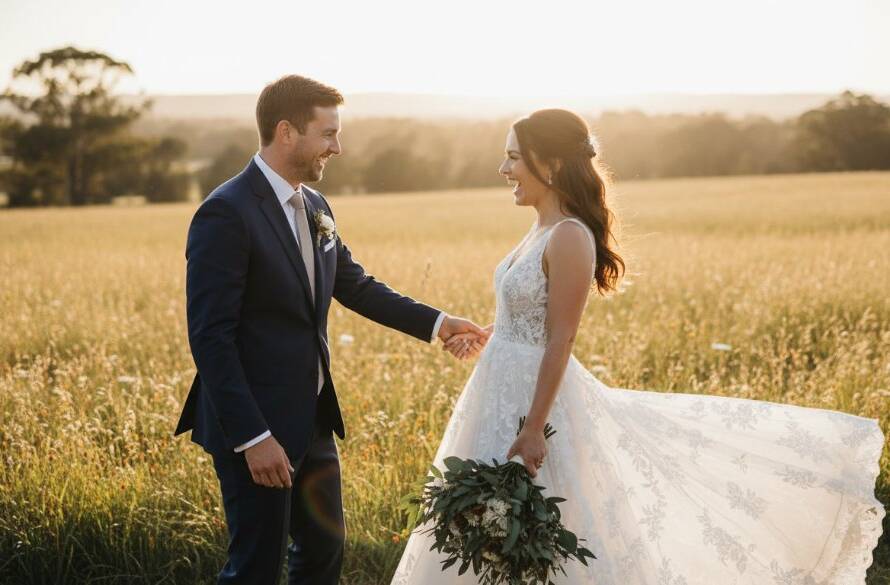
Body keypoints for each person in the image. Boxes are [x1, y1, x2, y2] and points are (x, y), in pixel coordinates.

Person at [390, 108, 885, 584]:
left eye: (514, 156)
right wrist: (491, 335)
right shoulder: (538, 228)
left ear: (553, 163)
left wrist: (535, 428)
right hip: (497, 389)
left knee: (539, 527)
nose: (504, 168)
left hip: (533, 404)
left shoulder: (568, 236)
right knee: (485, 531)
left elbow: (561, 338)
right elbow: (532, 319)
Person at [174, 74, 489, 585]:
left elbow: (356, 285)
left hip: (313, 418)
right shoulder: (226, 213)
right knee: (255, 565)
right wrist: (254, 437)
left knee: (324, 552)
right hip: (254, 425)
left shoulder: (317, 207)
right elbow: (211, 337)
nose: (337, 147)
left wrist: (438, 323)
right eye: (328, 134)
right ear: (287, 132)